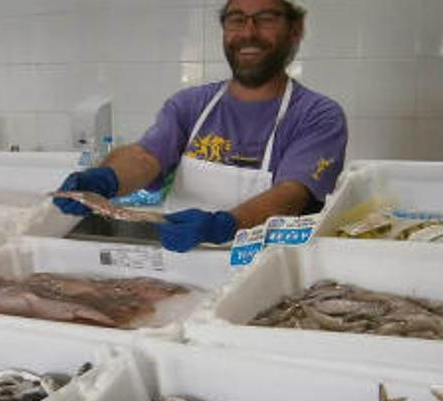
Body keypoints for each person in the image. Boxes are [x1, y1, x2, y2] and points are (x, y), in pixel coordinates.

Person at [54, 0, 347, 253]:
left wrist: (225, 225)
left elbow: (293, 194)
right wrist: (104, 180)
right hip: (180, 268)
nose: (248, 32)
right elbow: (146, 157)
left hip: (260, 276)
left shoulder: (318, 115)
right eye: (236, 20)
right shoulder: (190, 104)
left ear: (295, 31)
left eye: (266, 19)